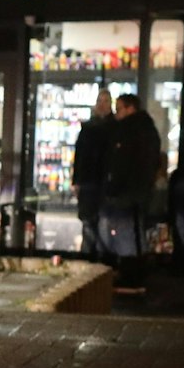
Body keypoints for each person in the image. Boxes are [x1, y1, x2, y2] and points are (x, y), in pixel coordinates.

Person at [100, 93, 163, 283]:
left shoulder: (128, 131)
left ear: (130, 109)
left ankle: (129, 273)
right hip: (140, 190)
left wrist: (112, 185)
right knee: (134, 231)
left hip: (127, 191)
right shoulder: (148, 130)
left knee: (124, 232)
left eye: (119, 109)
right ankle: (135, 271)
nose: (116, 113)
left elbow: (121, 163)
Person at [70, 90, 115, 261]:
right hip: (92, 182)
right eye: (100, 101)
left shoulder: (94, 128)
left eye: (105, 101)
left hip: (100, 182)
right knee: (91, 222)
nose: (102, 105)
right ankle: (92, 257)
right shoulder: (91, 128)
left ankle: (95, 257)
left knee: (100, 223)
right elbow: (80, 156)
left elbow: (80, 156)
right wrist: (77, 181)